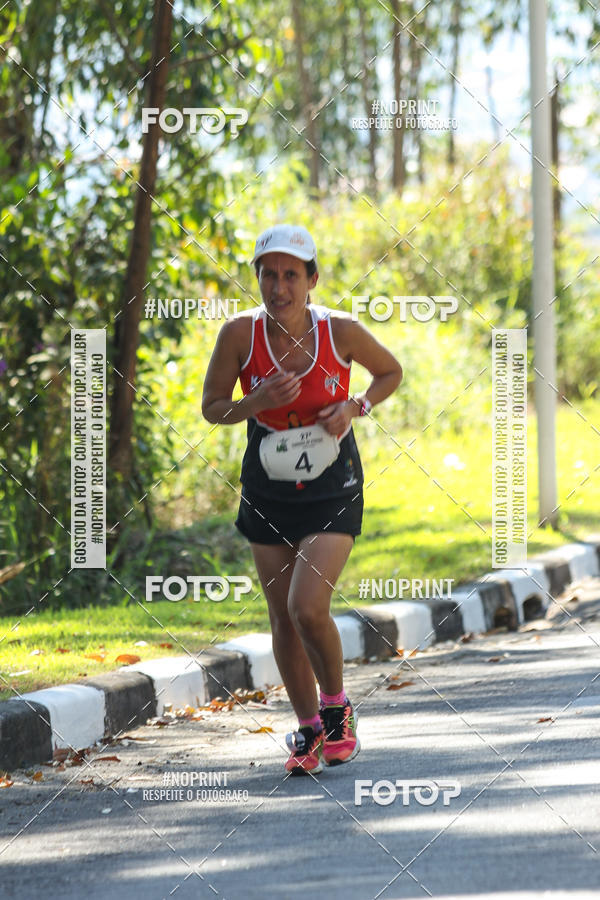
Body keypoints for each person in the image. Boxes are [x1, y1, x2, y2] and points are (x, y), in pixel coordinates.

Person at [202, 224, 402, 774]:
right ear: (259, 279)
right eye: (269, 274)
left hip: (332, 485)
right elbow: (213, 407)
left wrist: (356, 406)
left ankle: (337, 710)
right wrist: (255, 400)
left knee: (306, 605)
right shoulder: (239, 336)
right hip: (267, 487)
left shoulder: (340, 332)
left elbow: (390, 372)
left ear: (312, 279)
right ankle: (309, 731)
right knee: (282, 620)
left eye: (292, 274)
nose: (279, 286)